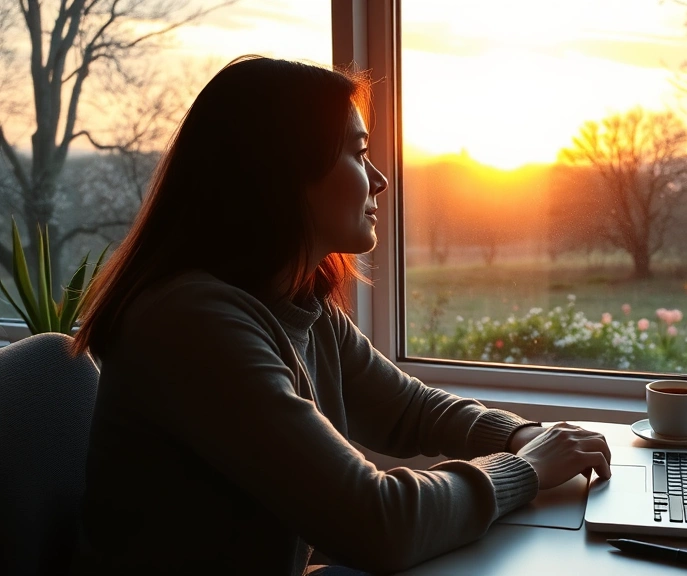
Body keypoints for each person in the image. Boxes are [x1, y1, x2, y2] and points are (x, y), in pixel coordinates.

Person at [70, 55, 612, 576]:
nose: (378, 179)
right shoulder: (191, 323)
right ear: (283, 173)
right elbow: (376, 523)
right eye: (357, 154)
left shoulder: (293, 301)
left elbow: (408, 410)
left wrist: (520, 436)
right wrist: (528, 469)